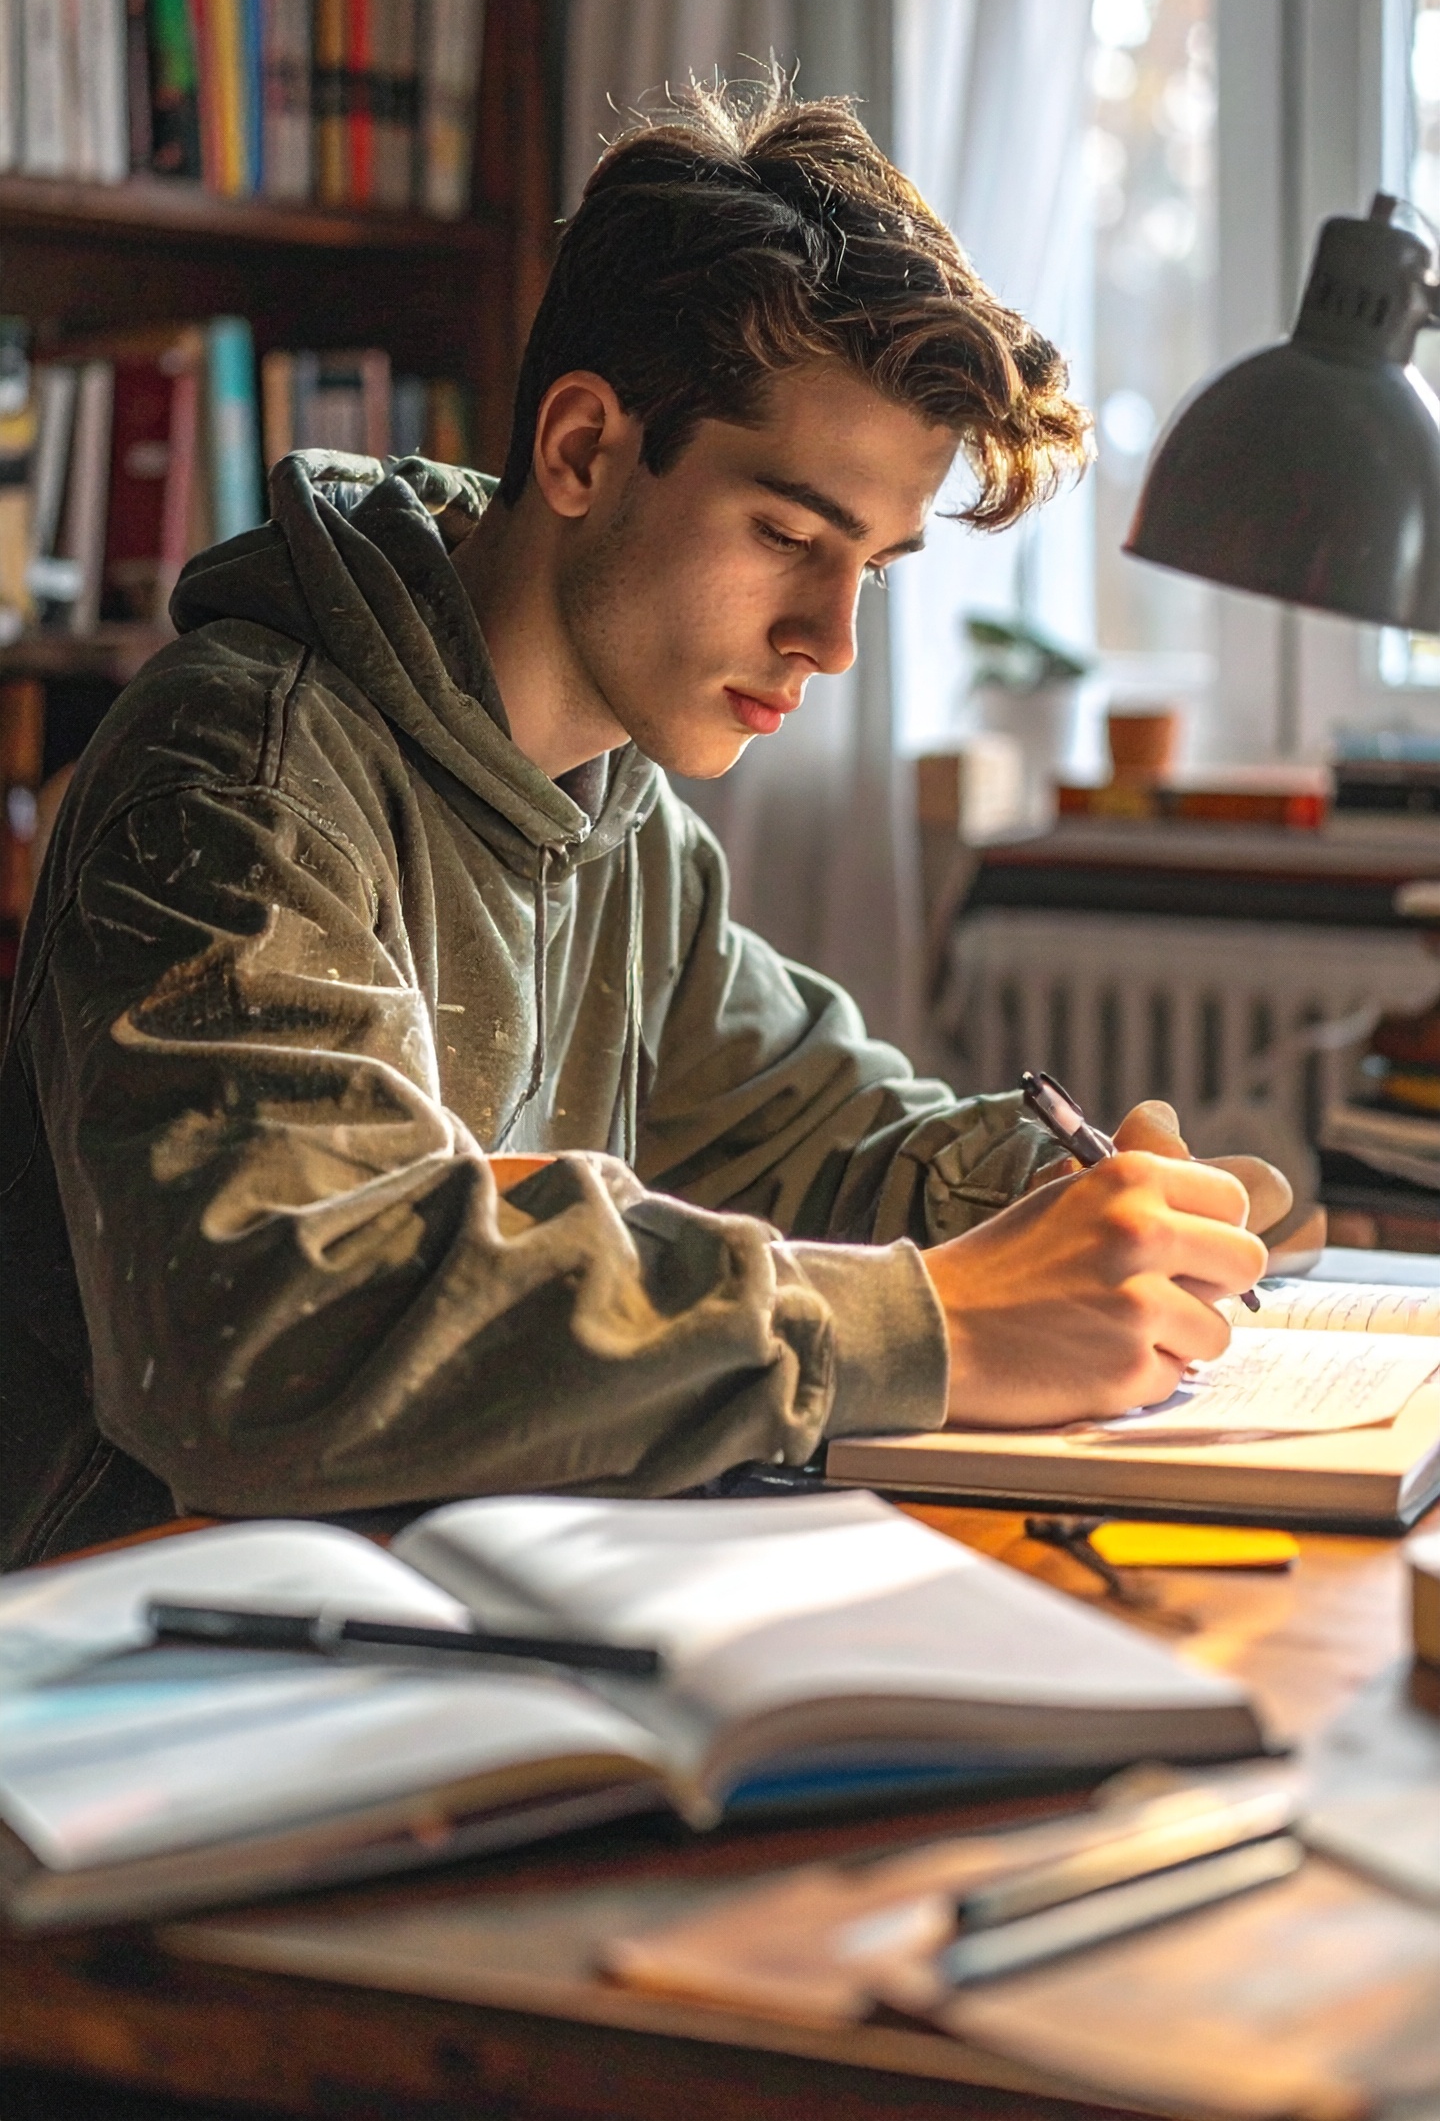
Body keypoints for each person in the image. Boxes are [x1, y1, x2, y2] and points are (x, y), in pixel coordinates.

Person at [0, 86, 1278, 1568]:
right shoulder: (235, 777)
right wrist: (943, 1322)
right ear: (588, 449)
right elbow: (279, 1334)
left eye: (872, 564)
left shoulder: (622, 818)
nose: (830, 639)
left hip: (433, 1611)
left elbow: (821, 1138)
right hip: (126, 1667)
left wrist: (1058, 1203)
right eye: (791, 538)